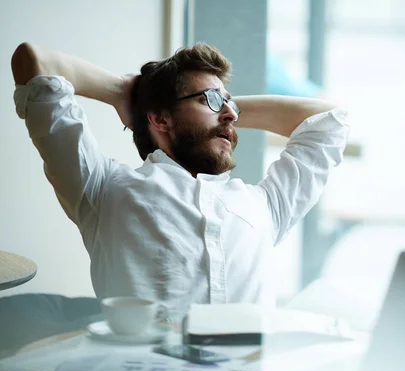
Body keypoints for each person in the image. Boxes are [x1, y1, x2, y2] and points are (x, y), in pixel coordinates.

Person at [11, 42, 349, 322]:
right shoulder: (103, 188)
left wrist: (221, 105)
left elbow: (329, 123)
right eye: (211, 100)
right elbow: (35, 62)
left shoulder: (264, 204)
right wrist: (124, 93)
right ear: (160, 118)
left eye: (229, 103)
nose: (231, 114)